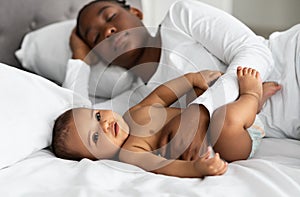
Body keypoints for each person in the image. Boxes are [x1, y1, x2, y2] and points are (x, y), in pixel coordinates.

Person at [63, 0, 278, 161]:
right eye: (96, 37)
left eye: (110, 17)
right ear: (101, 57)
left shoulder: (180, 18)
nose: (108, 31)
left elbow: (255, 50)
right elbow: (74, 117)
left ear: (136, 12)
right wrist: (80, 59)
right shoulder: (135, 104)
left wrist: (201, 110)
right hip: (279, 125)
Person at [52, 66, 280, 178]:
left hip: (206, 118)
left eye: (98, 116)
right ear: (95, 159)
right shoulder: (130, 152)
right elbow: (165, 167)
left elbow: (162, 96)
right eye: (94, 137)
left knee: (201, 94)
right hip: (226, 145)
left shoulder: (134, 113)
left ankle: (249, 108)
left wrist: (191, 79)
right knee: (226, 120)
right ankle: (252, 96)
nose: (103, 125)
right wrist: (195, 168)